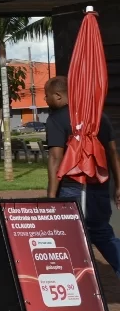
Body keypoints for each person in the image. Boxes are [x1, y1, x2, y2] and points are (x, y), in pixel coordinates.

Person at [45, 76, 120, 279]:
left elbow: (55, 157)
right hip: (100, 187)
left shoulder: (56, 119)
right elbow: (113, 152)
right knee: (102, 233)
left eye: (47, 95)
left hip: (73, 187)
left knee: (68, 236)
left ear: (58, 95)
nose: (45, 100)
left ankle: (76, 283)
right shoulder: (98, 116)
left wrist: (51, 198)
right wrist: (118, 186)